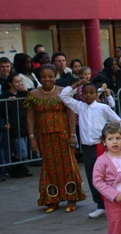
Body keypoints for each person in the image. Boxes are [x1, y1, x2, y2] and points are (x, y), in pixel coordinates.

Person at [25, 64, 86, 212]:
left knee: (68, 165)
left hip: (63, 135)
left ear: (55, 77)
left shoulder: (61, 92)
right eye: (44, 77)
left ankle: (71, 198)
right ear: (40, 77)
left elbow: (71, 115)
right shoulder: (33, 94)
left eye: (50, 76)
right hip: (44, 137)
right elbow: (30, 117)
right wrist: (32, 138)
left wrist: (73, 135)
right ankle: (52, 199)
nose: (47, 79)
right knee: (49, 167)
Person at [60, 79, 121, 219]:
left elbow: (117, 121)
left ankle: (113, 201)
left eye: (91, 93)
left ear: (96, 94)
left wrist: (112, 138)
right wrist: (76, 84)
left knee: (107, 175)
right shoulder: (80, 107)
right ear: (81, 95)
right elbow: (63, 96)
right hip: (87, 148)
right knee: (92, 176)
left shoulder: (102, 108)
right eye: (85, 93)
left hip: (101, 146)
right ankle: (100, 204)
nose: (88, 95)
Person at [0, 73, 32, 178]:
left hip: (22, 124)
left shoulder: (22, 94)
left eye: (20, 81)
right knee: (21, 150)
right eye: (17, 82)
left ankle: (21, 168)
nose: (19, 84)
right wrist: (11, 102)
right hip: (13, 125)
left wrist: (26, 91)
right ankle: (16, 168)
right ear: (10, 83)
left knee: (24, 149)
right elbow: (2, 111)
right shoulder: (4, 95)